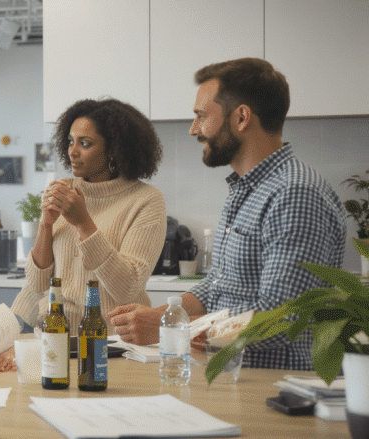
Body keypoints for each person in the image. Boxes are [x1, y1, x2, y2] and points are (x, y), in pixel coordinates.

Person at [108, 57, 346, 370]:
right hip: (233, 377)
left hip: (271, 391)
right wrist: (164, 314)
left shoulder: (294, 195)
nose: (194, 130)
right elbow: (220, 286)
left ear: (242, 117)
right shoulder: (247, 190)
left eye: (201, 116)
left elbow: (278, 318)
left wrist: (173, 329)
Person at [0, 97, 167, 372]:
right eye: (70, 141)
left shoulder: (146, 200)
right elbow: (37, 284)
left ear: (114, 149)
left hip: (113, 347)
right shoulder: (64, 189)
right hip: (53, 342)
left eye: (85, 143)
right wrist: (45, 225)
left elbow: (128, 286)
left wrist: (83, 223)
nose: (72, 152)